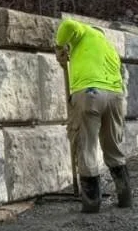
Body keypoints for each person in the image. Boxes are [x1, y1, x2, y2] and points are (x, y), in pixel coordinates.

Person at [55, 18, 131, 213]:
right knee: (113, 148)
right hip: (115, 97)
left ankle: (91, 204)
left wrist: (59, 46)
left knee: (86, 146)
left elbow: (68, 25)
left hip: (90, 94)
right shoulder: (109, 47)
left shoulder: (85, 33)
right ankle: (125, 198)